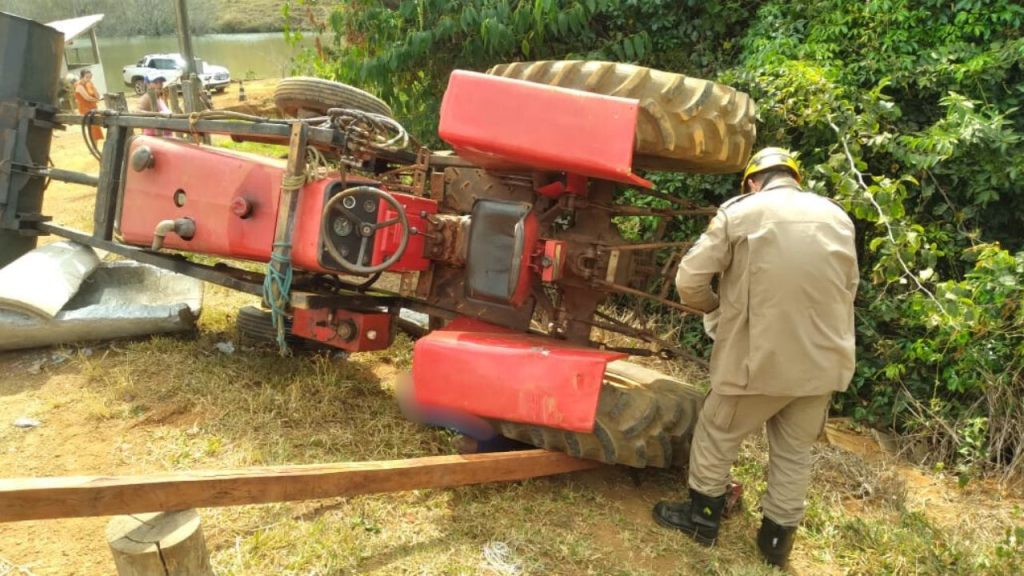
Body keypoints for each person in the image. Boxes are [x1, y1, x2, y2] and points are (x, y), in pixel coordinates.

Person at [652, 147, 859, 568]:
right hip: (821, 365)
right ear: (795, 178)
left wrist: (714, 308)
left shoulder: (740, 213)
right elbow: (848, 288)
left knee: (717, 431)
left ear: (752, 181)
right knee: (793, 452)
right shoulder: (837, 217)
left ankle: (702, 520)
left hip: (757, 360)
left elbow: (689, 280)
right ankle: (776, 544)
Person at [74, 69, 104, 142]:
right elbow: (87, 98)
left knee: (96, 128)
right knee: (93, 128)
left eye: (90, 77)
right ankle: (93, 146)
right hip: (85, 109)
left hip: (93, 108)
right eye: (87, 77)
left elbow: (97, 95)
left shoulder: (89, 84)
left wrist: (93, 87)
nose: (89, 79)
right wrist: (97, 100)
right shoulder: (79, 86)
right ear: (82, 77)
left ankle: (95, 145)